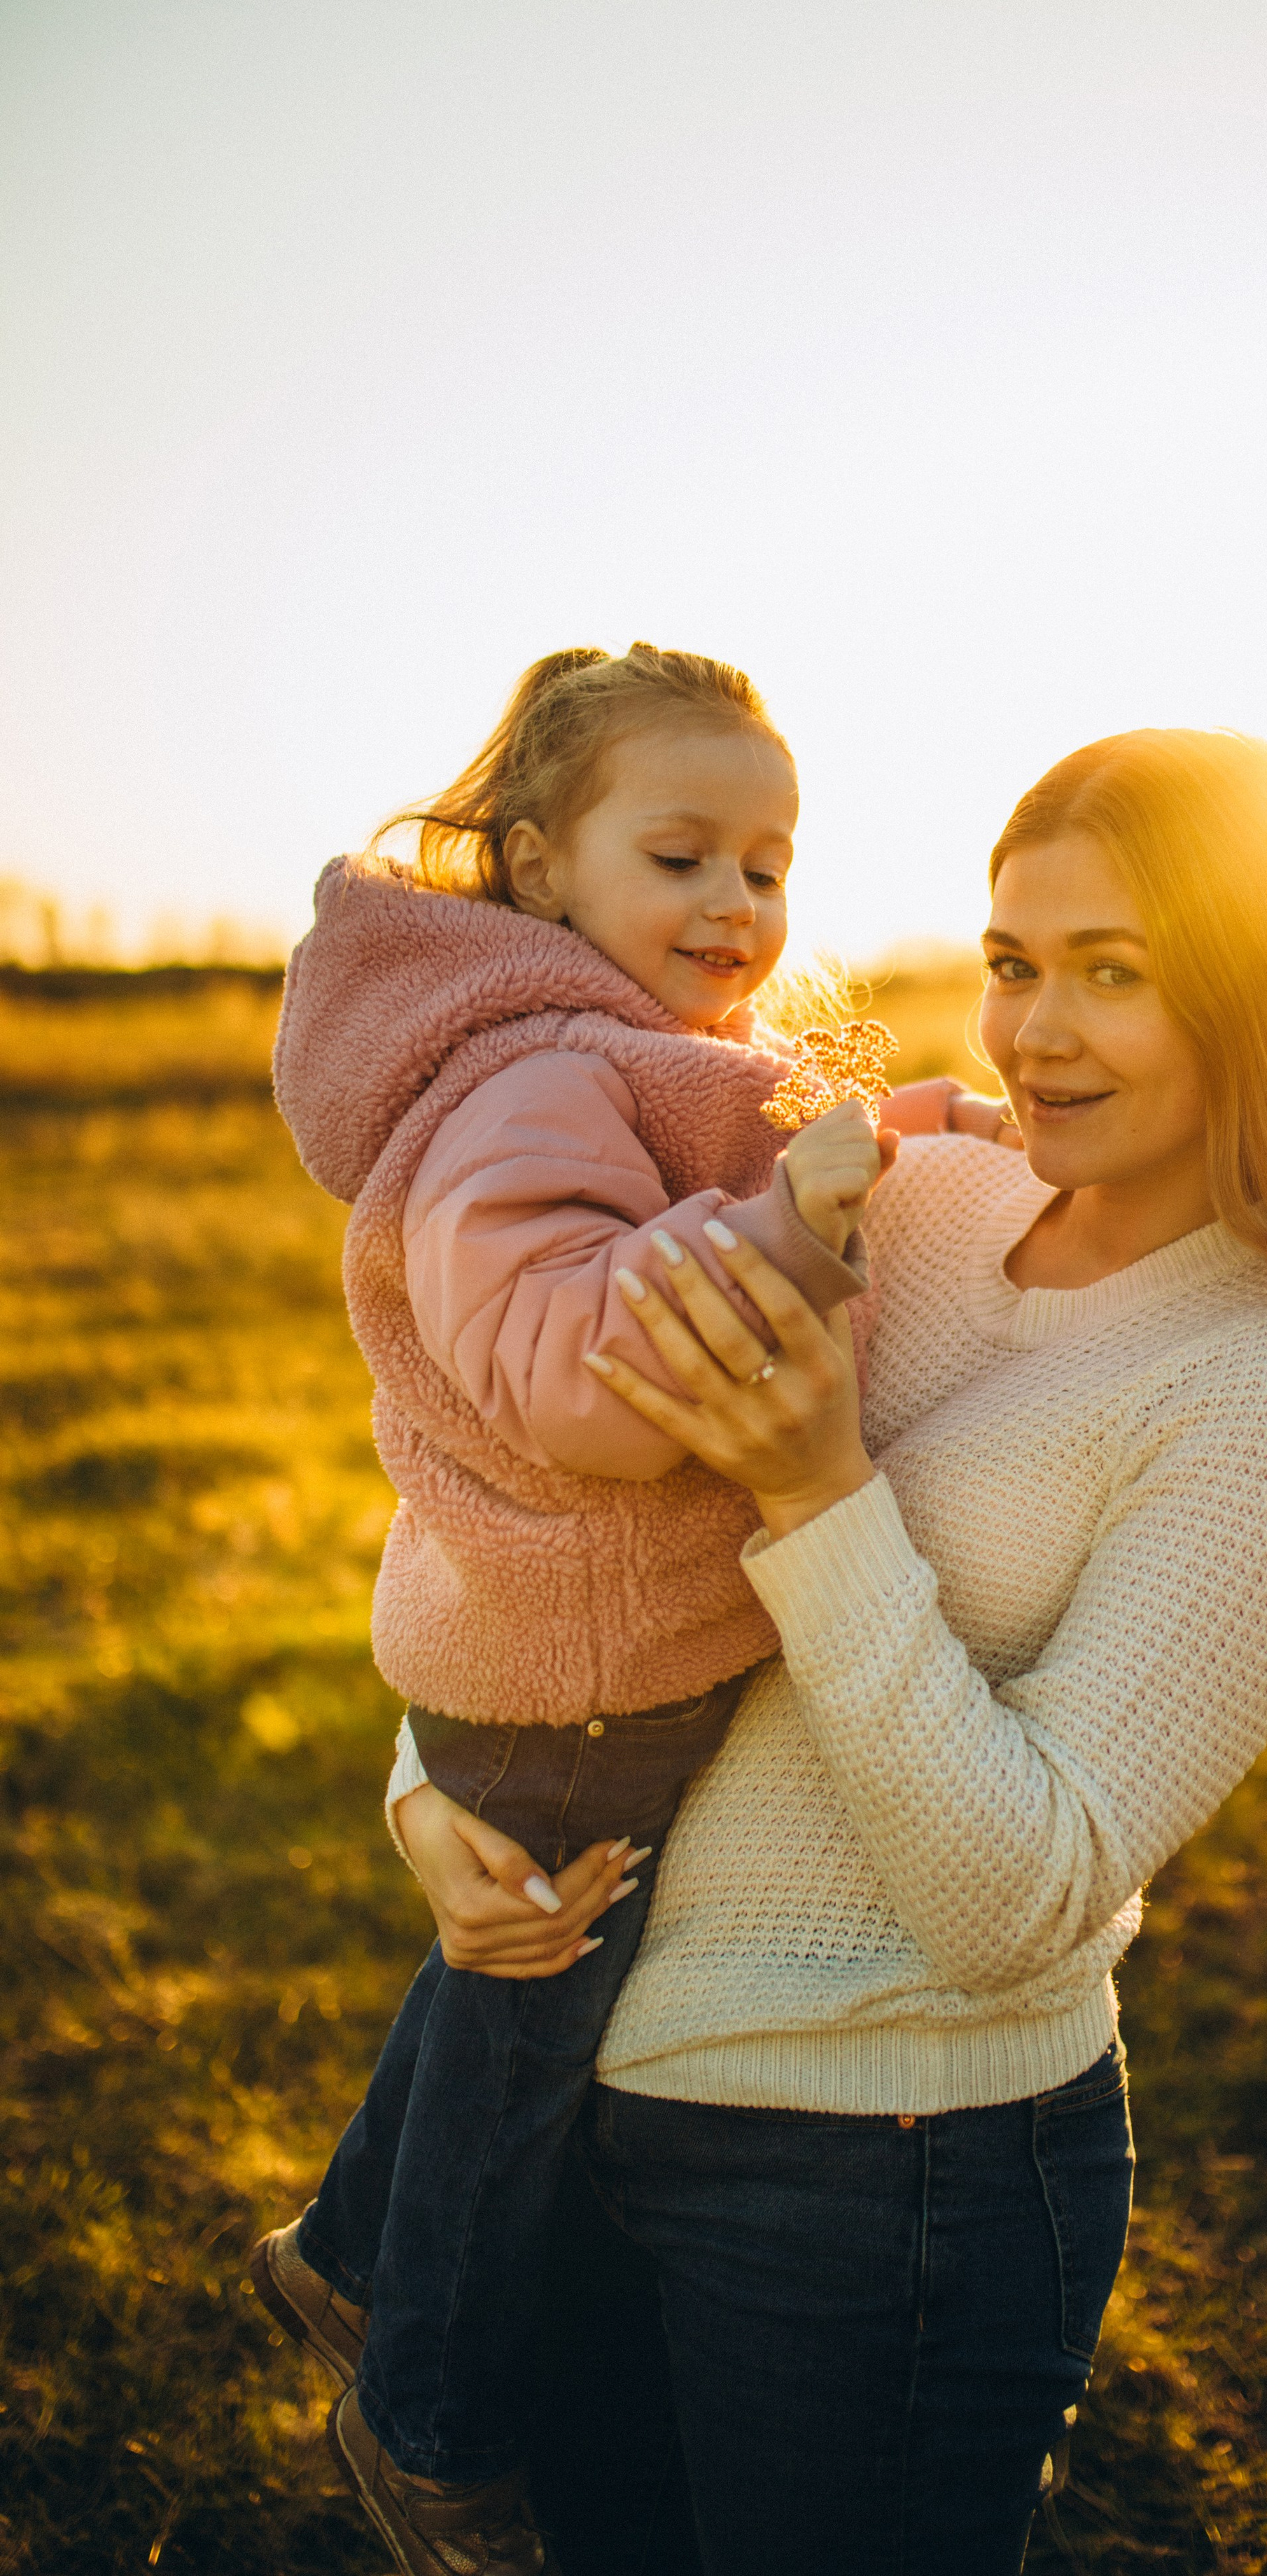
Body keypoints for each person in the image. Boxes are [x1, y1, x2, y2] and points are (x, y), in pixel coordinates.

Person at [394, 726, 1267, 2576]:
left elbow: (1023, 1895)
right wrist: (428, 1800)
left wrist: (824, 1501)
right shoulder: (912, 1201)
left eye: (1113, 975)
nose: (1031, 1030)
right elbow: (539, 1510)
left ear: (1255, 1003)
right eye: (1011, 962)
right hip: (576, 2107)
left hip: (883, 2178)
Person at [251, 642, 1005, 2576]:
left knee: (482, 1975)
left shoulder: (601, 1055)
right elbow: (576, 1376)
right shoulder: (522, 1077)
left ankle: (342, 2252)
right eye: (683, 857)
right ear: (532, 867)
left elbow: (716, 1162)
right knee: (523, 2048)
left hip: (557, 1648)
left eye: (770, 864)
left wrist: (907, 1131)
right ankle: (420, 2416)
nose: (740, 907)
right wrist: (799, 1217)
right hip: (580, 1664)